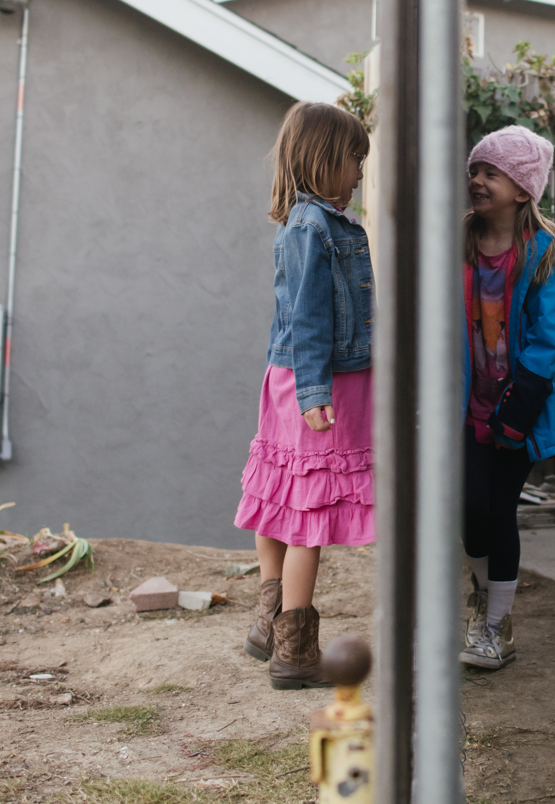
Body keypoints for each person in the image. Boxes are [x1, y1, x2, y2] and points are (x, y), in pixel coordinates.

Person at [236, 101, 374, 690]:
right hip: (322, 381)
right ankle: (296, 648)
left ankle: (269, 623)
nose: (361, 173)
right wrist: (317, 390)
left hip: (292, 375)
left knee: (281, 492)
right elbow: (309, 314)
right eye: (355, 159)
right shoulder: (315, 226)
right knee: (308, 514)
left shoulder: (306, 222)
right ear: (324, 159)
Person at [459, 124, 555, 670]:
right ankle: (481, 598)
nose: (478, 180)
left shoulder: (539, 251)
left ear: (522, 189)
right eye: (475, 170)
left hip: (517, 409)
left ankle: (496, 627)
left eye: (492, 172)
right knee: (469, 514)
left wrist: (520, 406)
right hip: (466, 409)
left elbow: (554, 334)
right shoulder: (459, 243)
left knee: (499, 510)